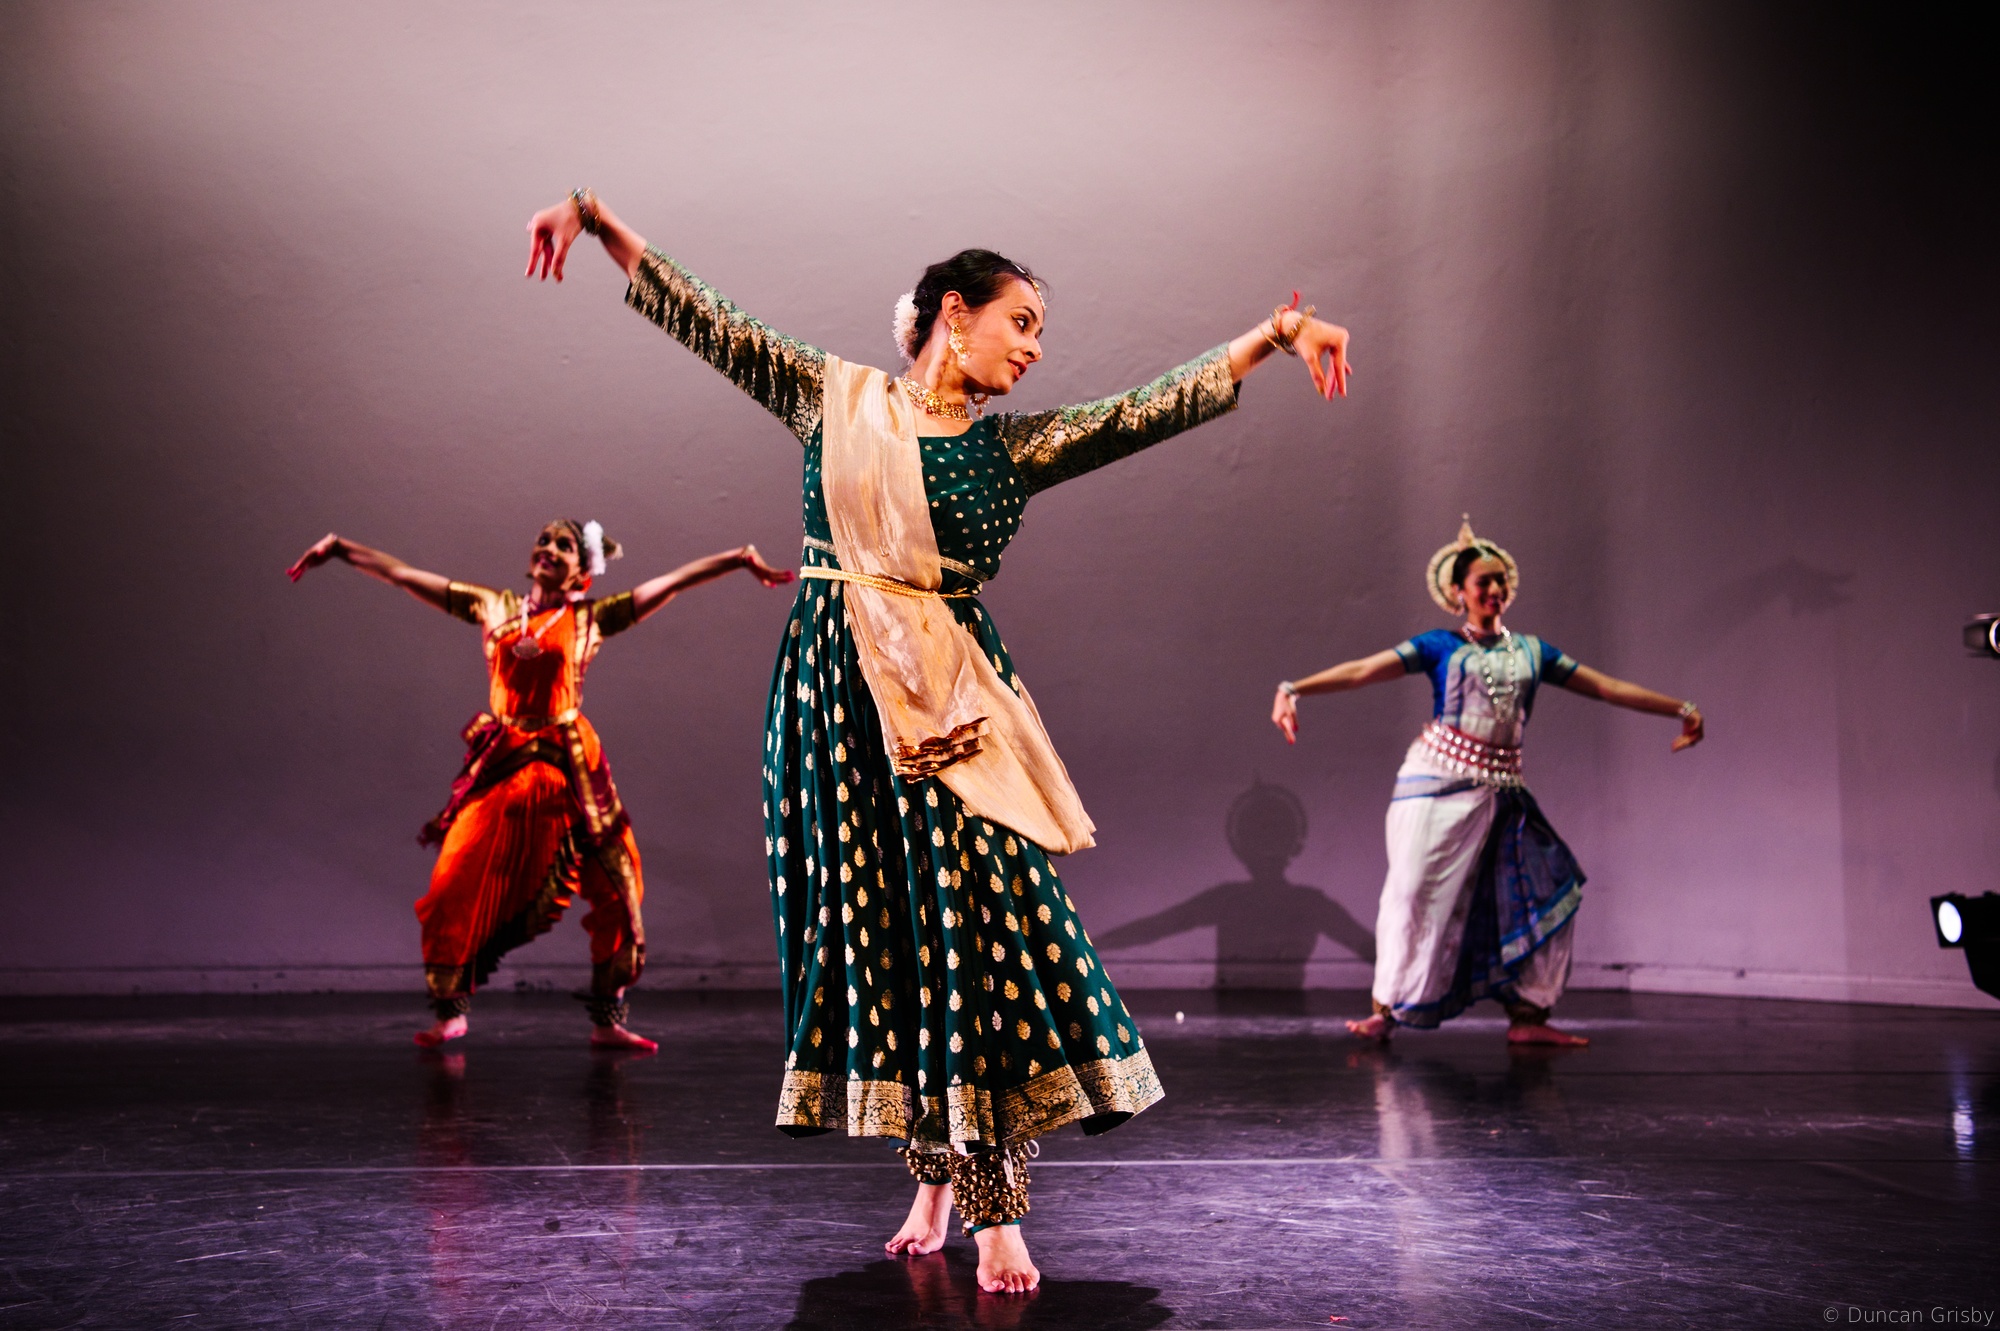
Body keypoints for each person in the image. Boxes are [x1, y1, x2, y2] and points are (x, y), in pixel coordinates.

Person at [524, 188, 1351, 1293]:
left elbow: (1141, 410)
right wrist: (594, 219)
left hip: (948, 708)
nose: (1035, 348)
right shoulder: (833, 398)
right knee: (893, 939)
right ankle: (933, 1178)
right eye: (1022, 322)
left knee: (976, 931)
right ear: (954, 313)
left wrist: (1275, 335)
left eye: (1040, 332)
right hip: (833, 704)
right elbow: (710, 319)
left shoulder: (1009, 448)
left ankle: (994, 1206)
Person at [288, 520, 791, 1051]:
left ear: (582, 572)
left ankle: (607, 1019)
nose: (548, 548)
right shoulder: (492, 606)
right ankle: (450, 1012)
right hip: (505, 765)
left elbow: (671, 583)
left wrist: (736, 558)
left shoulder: (591, 617)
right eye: (544, 540)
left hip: (572, 769)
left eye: (564, 545)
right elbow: (403, 575)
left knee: (621, 890)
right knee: (450, 887)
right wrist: (340, 549)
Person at [1271, 518, 1703, 1047]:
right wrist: (1294, 689)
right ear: (1459, 592)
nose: (1495, 589)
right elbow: (1363, 670)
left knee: (1542, 891)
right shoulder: (1438, 646)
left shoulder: (1533, 652)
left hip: (1502, 792)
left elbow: (1607, 687)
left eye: (1501, 580)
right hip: (1433, 784)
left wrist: (1681, 708)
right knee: (1411, 894)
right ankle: (1386, 1008)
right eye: (1483, 581)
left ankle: (1528, 1017)